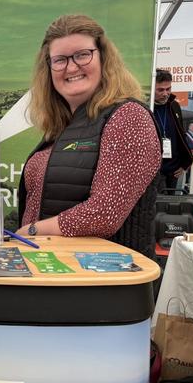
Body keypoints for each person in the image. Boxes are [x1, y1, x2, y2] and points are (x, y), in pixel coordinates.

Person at [17, 14, 161, 258]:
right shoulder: (63, 127)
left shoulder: (128, 117)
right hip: (55, 269)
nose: (72, 67)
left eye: (83, 55)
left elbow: (103, 213)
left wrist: (31, 230)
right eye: (60, 60)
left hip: (102, 281)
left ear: (103, 57)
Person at [152, 69, 192, 189]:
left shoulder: (174, 106)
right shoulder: (144, 107)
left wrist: (184, 164)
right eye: (160, 90)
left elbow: (180, 134)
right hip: (153, 173)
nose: (165, 93)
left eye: (168, 89)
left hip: (173, 170)